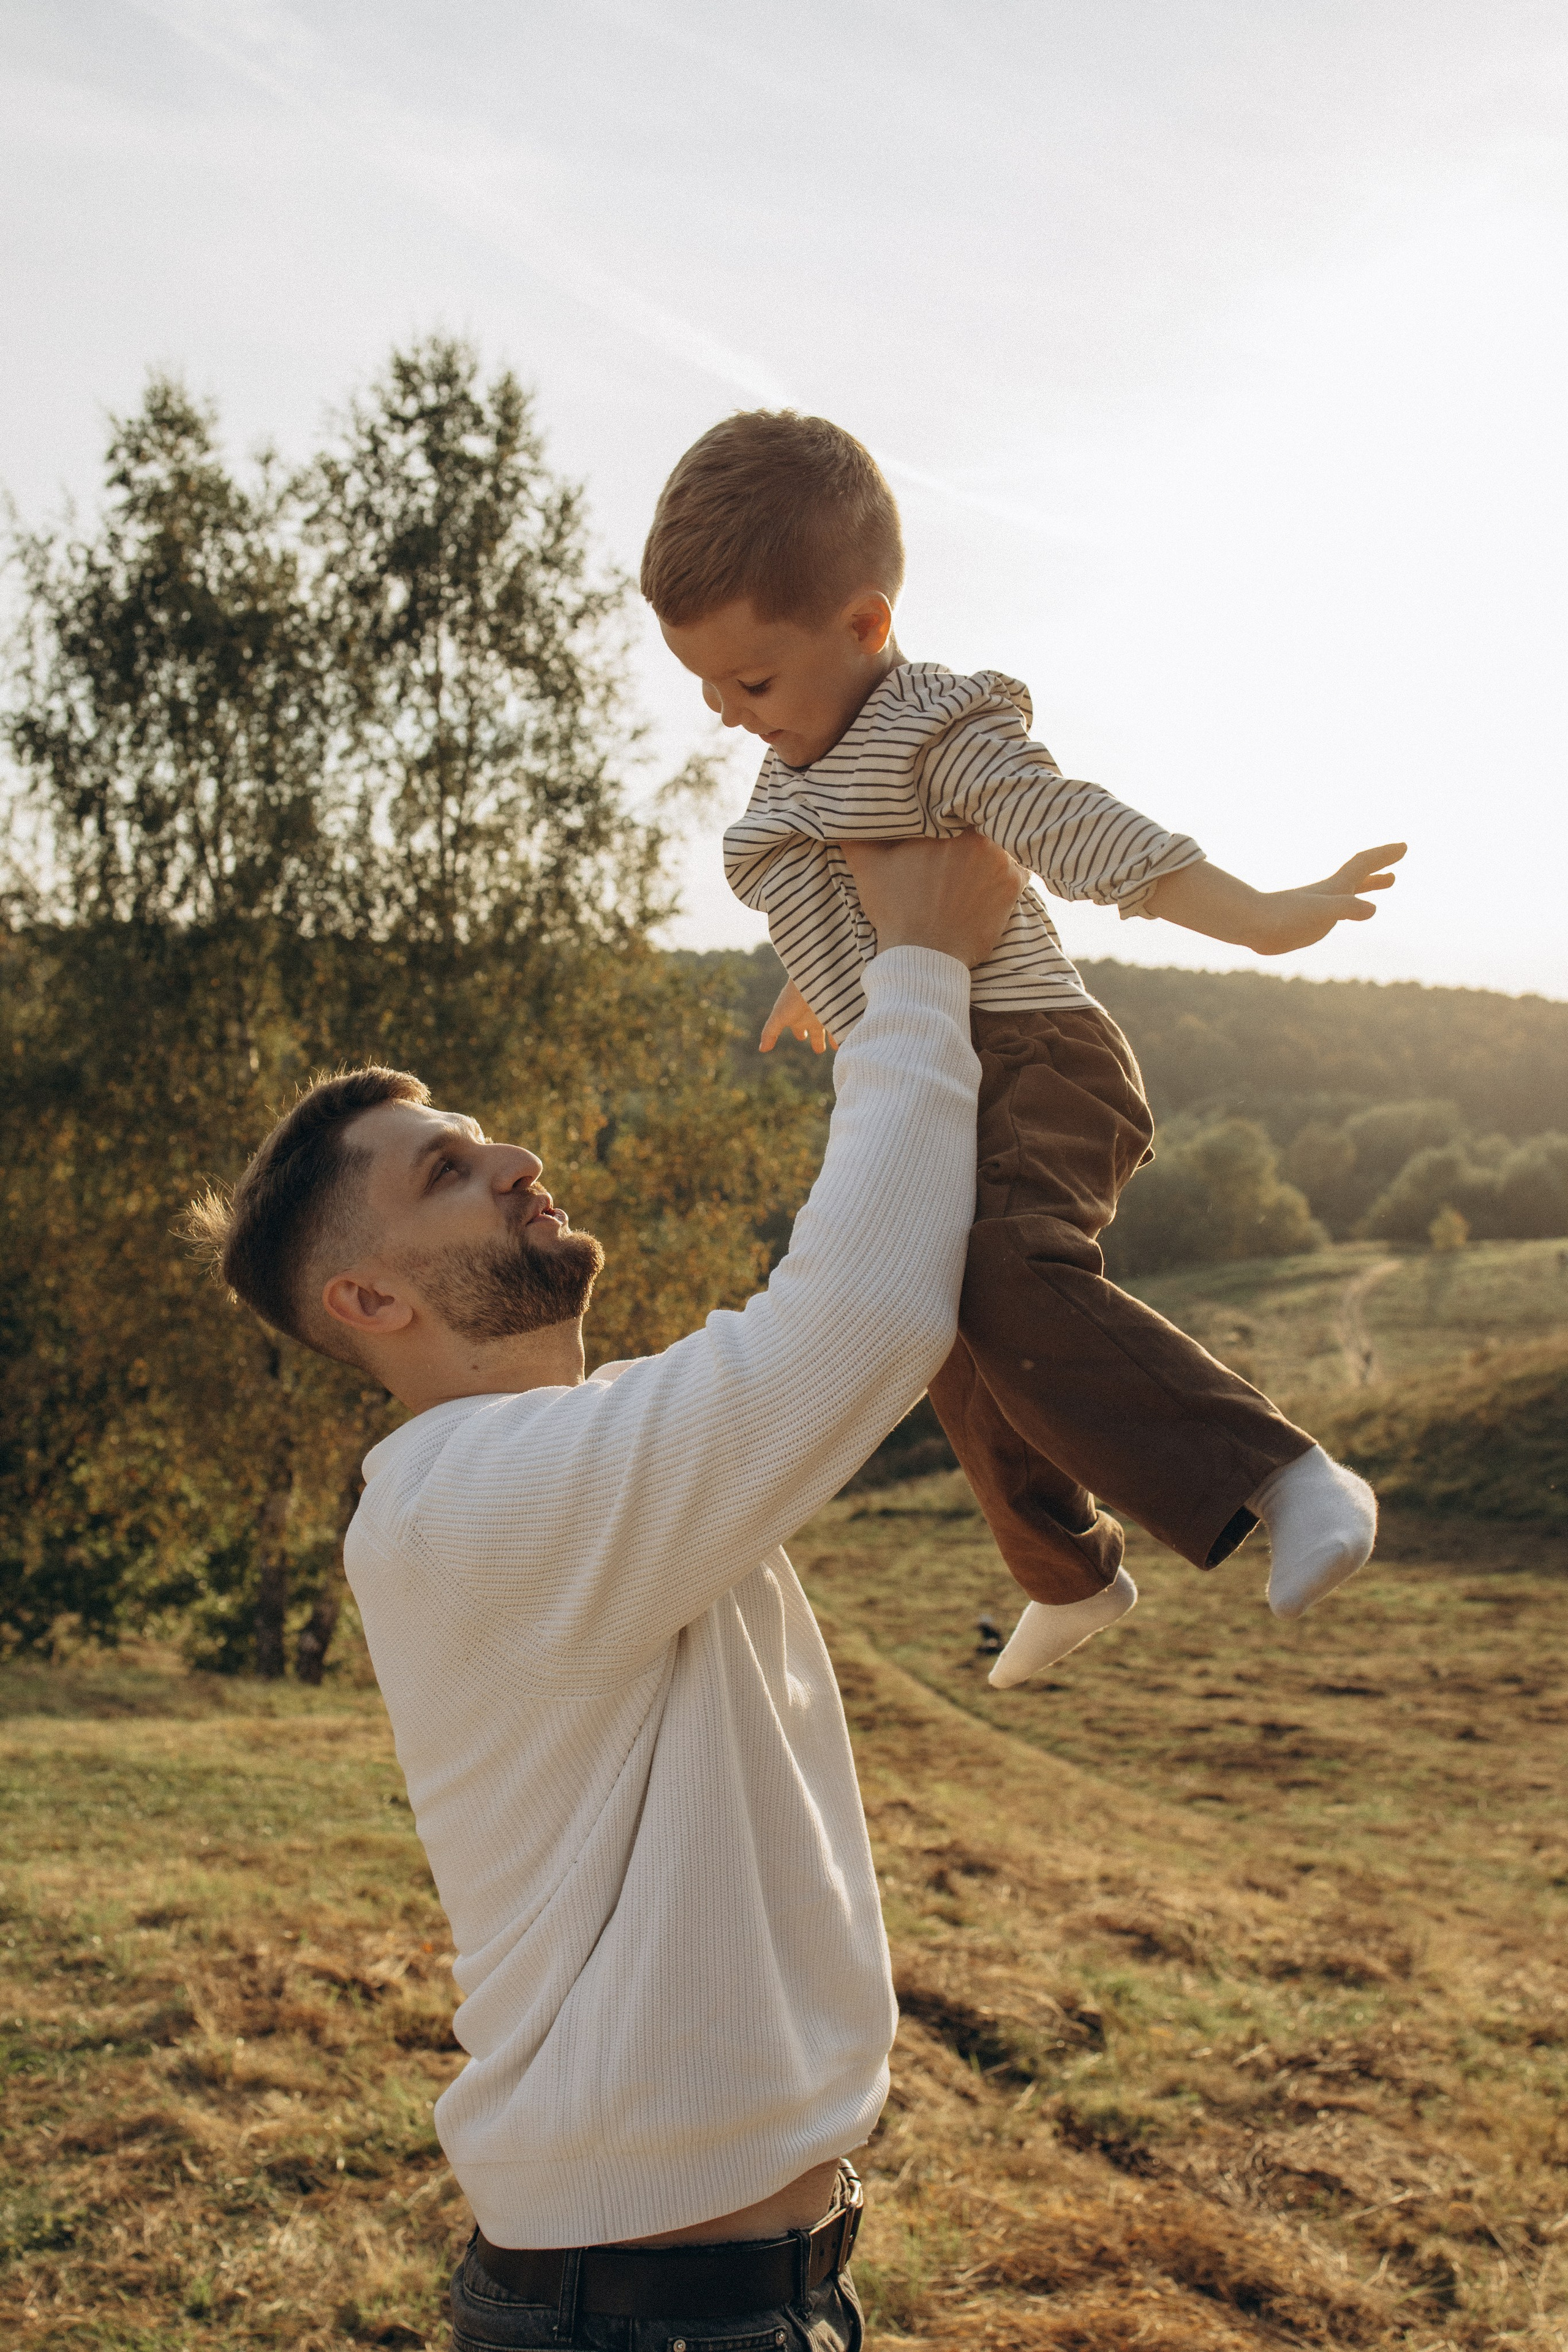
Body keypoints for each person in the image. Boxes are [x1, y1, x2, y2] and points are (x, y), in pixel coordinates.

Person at [188, 832, 1025, 2351]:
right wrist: (917, 968)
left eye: (481, 1137)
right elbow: (862, 1314)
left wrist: (878, 988)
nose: (515, 1161)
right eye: (447, 1172)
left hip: (728, 2300)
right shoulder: (471, 1501)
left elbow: (865, 1289)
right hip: (651, 2323)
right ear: (369, 1301)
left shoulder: (559, 1462)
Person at [642, 409, 1398, 1688]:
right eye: (701, 685)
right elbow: (839, 905)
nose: (725, 712)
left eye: (750, 681)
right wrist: (810, 989)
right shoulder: (799, 754)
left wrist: (1257, 916)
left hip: (1034, 1055)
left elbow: (1068, 826)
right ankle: (1068, 1574)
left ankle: (1281, 1473)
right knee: (921, 1329)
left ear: (863, 625)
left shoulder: (938, 735)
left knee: (1005, 1272)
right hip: (919, 1075)